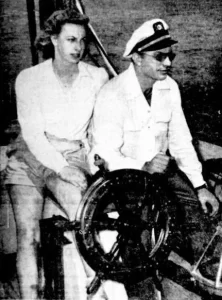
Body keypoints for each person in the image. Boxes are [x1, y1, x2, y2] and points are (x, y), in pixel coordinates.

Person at [3, 8, 119, 300]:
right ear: (53, 39)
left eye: (81, 41)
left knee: (86, 219)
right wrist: (61, 169)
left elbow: (98, 128)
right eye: (70, 40)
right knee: (28, 237)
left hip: (74, 153)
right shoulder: (28, 78)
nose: (78, 48)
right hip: (31, 155)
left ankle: (102, 291)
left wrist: (95, 159)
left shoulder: (98, 76)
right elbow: (31, 135)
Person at [89, 18, 220, 268]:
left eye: (170, 56)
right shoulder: (112, 94)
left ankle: (211, 271)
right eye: (159, 57)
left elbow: (181, 141)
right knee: (137, 228)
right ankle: (141, 284)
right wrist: (143, 166)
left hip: (160, 172)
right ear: (137, 58)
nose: (168, 63)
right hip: (122, 177)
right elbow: (105, 153)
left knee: (196, 207)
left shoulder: (169, 88)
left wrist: (201, 185)